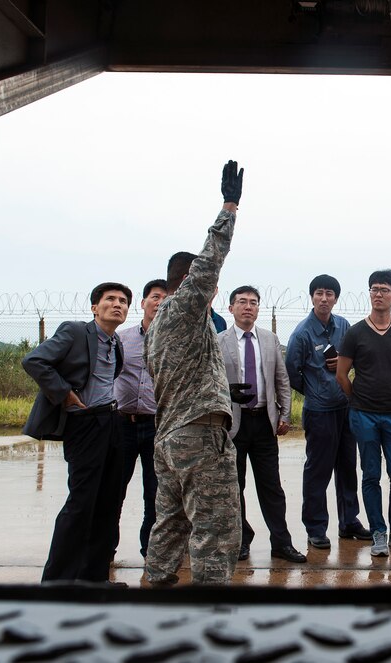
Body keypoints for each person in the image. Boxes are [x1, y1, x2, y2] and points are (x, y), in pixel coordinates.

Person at [143, 160, 244, 586]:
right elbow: (210, 259)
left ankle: (158, 583)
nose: (213, 290)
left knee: (170, 521)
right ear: (188, 283)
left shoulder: (158, 323)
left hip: (169, 438)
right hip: (198, 434)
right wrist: (230, 207)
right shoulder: (184, 306)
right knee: (216, 529)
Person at [23, 281, 131, 583]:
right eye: (110, 299)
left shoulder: (116, 342)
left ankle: (94, 579)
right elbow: (34, 361)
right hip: (84, 424)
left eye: (123, 301)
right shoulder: (74, 332)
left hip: (112, 422)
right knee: (82, 503)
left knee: (109, 504)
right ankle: (58, 581)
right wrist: (64, 392)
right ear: (95, 307)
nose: (118, 304)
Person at [336, 269, 391, 557]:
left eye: (384, 289)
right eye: (374, 289)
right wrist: (358, 399)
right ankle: (378, 532)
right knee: (370, 474)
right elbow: (341, 374)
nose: (378, 294)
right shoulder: (356, 332)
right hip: (363, 415)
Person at [219, 285, 306, 564]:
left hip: (263, 423)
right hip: (233, 424)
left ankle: (281, 542)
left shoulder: (269, 339)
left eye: (253, 302)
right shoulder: (219, 341)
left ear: (258, 308)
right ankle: (241, 539)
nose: (248, 307)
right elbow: (213, 382)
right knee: (235, 487)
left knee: (272, 487)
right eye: (242, 302)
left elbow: (282, 379)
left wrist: (284, 415)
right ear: (231, 308)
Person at [286, 275, 370, 548]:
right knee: (318, 471)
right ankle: (316, 527)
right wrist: (315, 389)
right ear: (312, 296)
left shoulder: (343, 325)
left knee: (348, 468)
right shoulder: (301, 333)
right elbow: (292, 372)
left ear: (336, 298)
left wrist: (342, 365)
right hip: (320, 411)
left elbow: (354, 358)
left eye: (330, 294)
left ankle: (349, 522)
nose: (324, 298)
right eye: (319, 293)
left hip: (345, 407)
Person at [115, 279, 166, 559]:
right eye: (154, 297)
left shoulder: (174, 343)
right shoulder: (122, 339)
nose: (159, 302)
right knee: (114, 491)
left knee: (155, 496)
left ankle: (151, 553)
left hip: (157, 427)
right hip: (123, 424)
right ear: (143, 303)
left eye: (165, 298)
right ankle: (106, 550)